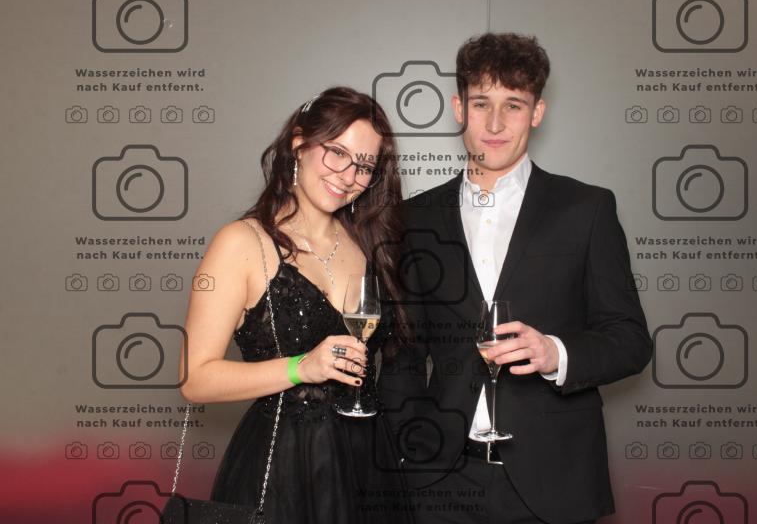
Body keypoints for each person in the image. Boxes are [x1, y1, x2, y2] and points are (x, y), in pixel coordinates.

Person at [379, 33, 652, 524]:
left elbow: (630, 340)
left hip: (555, 485)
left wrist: (555, 353)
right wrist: (409, 453)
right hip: (441, 485)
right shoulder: (414, 219)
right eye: (481, 104)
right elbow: (403, 355)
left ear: (537, 112)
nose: (495, 123)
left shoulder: (587, 209)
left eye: (513, 105)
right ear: (459, 108)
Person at [179, 86, 413, 523]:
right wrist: (300, 367)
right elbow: (195, 379)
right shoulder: (242, 243)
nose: (348, 175)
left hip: (367, 463)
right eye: (337, 153)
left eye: (364, 166)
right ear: (299, 144)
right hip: (283, 469)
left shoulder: (370, 243)